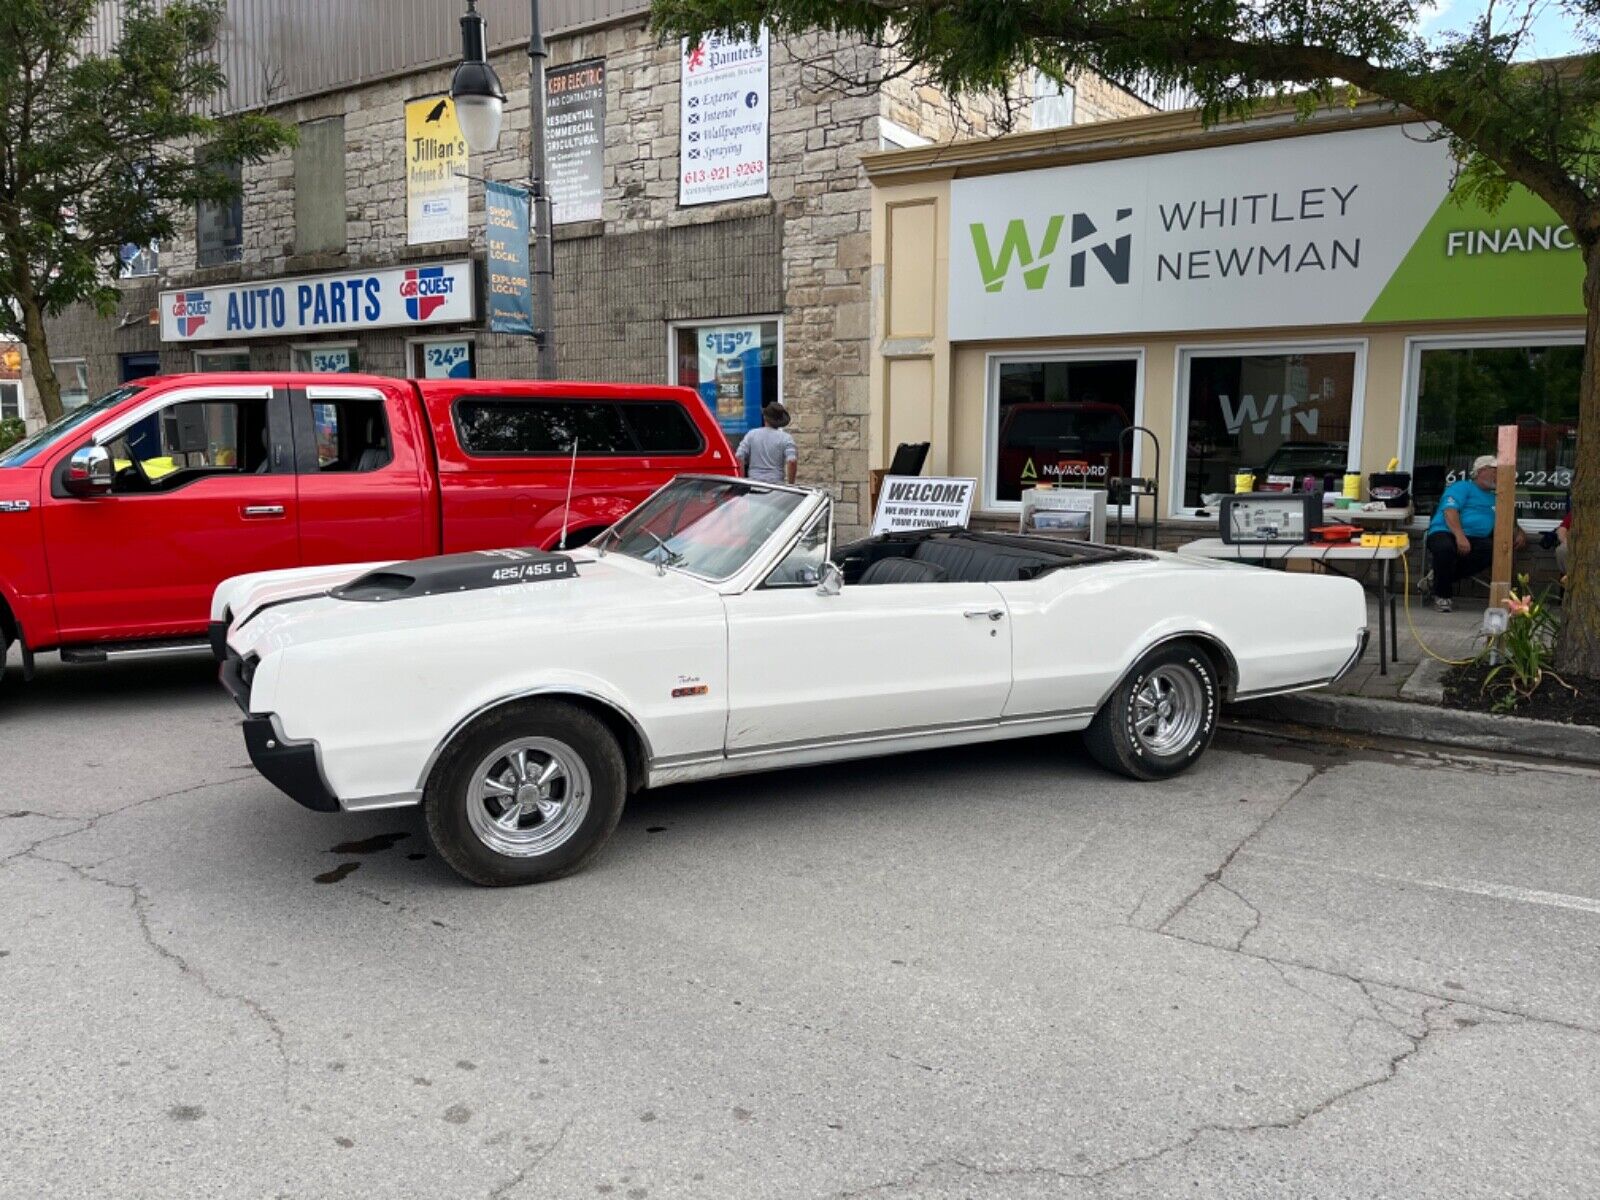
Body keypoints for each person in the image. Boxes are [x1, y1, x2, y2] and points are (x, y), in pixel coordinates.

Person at [1424, 454, 1527, 612]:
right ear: (1481, 471)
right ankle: (1442, 597)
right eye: (1495, 470)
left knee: (1495, 550)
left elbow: (1508, 521)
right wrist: (1459, 536)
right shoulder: (1462, 487)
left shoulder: (1498, 497)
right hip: (1446, 531)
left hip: (1477, 538)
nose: (1497, 475)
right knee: (1445, 549)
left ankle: (1436, 579)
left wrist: (1519, 532)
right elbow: (1450, 511)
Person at [735, 401, 797, 484]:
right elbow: (792, 461)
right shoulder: (786, 438)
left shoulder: (751, 435)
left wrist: (741, 480)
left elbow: (739, 456)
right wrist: (791, 485)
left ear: (764, 417)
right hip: (776, 486)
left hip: (754, 484)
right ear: (780, 421)